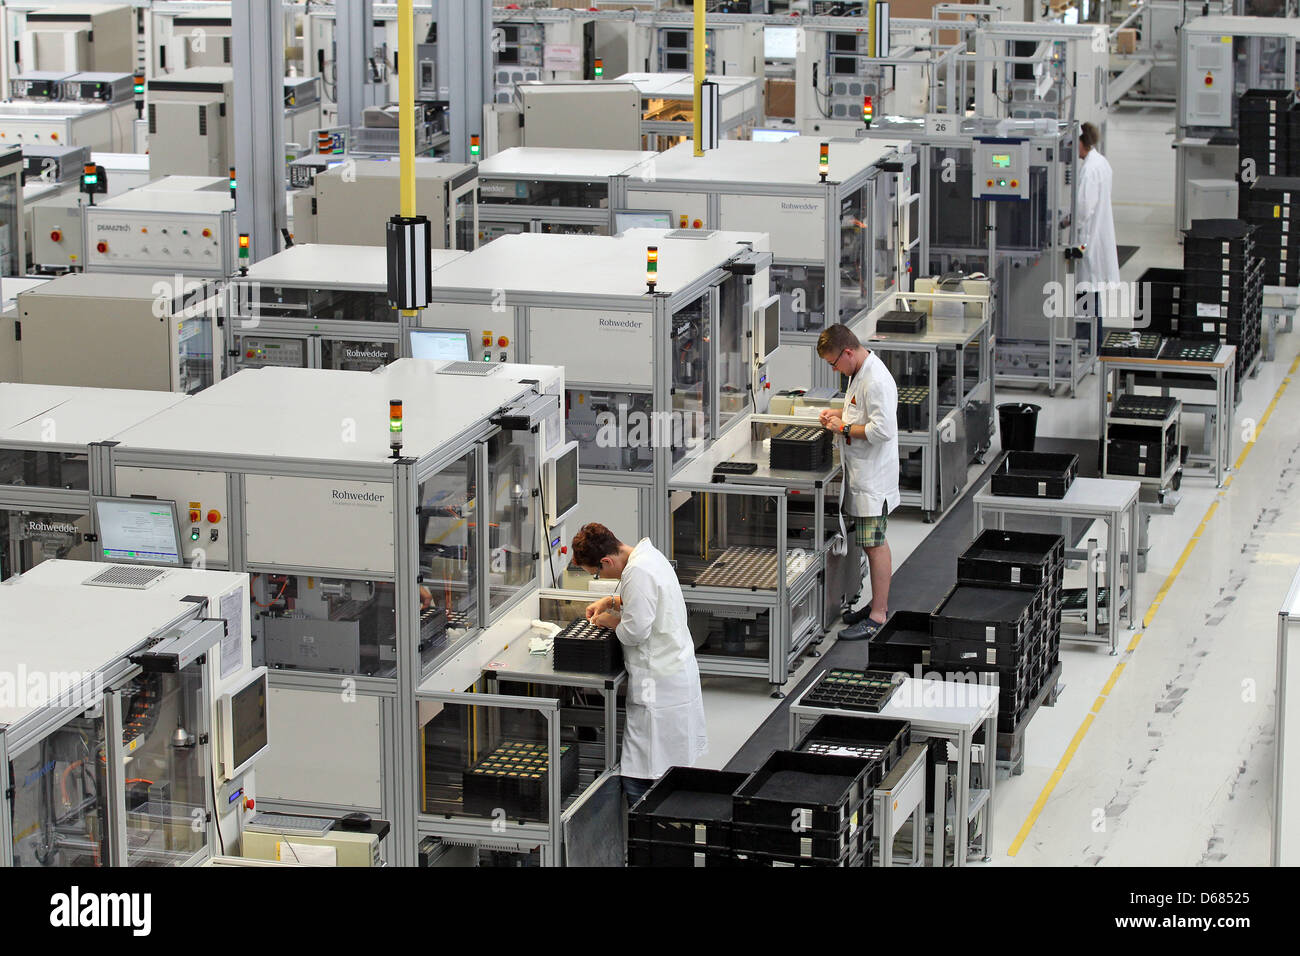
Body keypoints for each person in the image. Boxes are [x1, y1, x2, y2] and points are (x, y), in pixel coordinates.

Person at [572, 522, 708, 806]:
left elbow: (635, 633)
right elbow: (651, 602)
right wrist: (612, 600)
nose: (601, 576)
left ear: (607, 560)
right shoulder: (648, 556)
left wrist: (609, 620)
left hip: (657, 680)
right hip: (674, 669)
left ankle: (642, 819)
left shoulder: (637, 572)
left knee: (644, 767)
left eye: (598, 572)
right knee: (665, 762)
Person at [816, 324, 900, 641]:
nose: (834, 369)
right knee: (868, 542)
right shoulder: (860, 372)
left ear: (847, 352)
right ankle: (875, 604)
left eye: (834, 363)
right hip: (864, 475)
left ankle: (878, 615)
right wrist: (836, 414)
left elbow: (882, 430)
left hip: (873, 479)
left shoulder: (875, 380)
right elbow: (859, 411)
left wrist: (845, 429)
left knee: (874, 545)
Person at [1074, 121, 1121, 321]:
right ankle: (1093, 343)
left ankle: (1088, 346)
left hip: (1089, 238)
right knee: (1092, 294)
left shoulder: (1089, 170)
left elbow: (1084, 209)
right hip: (1098, 233)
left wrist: (1068, 223)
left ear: (1081, 141)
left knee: (1086, 296)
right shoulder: (1101, 162)